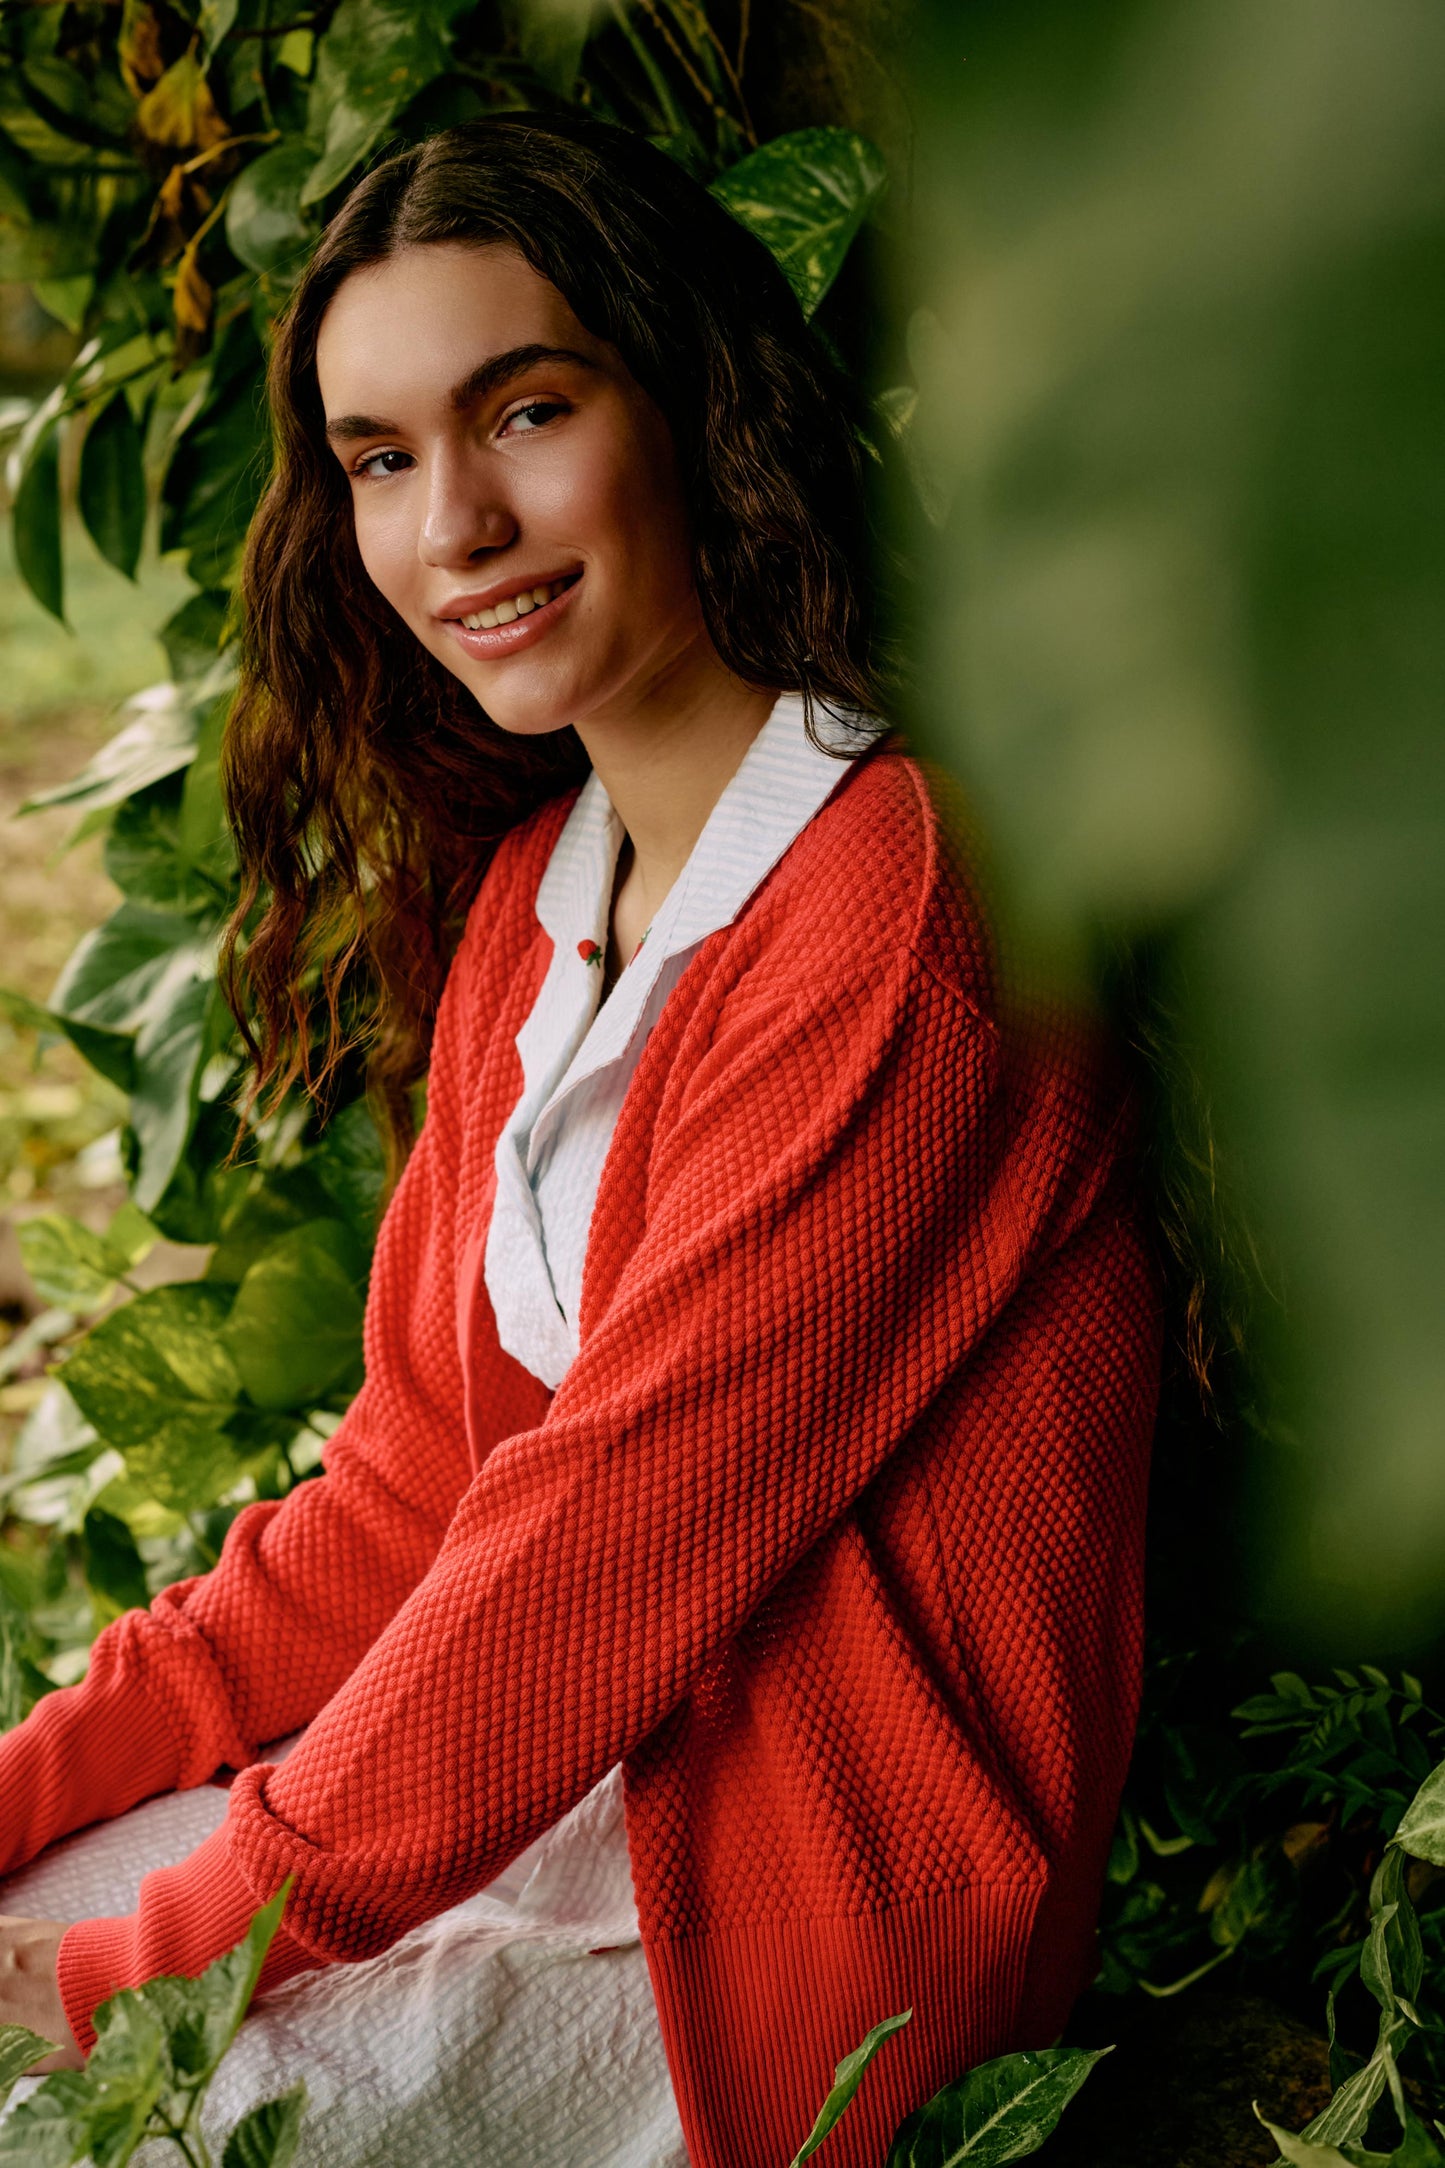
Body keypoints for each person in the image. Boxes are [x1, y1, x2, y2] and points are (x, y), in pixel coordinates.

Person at [0, 114, 1161, 2168]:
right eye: (378, 458)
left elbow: (595, 1554)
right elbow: (407, 1498)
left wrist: (157, 1966)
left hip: (790, 1906)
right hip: (536, 1788)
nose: (454, 522)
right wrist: (34, 1784)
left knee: (62, 2111)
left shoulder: (897, 907)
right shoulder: (550, 897)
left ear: (692, 404)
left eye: (524, 411)